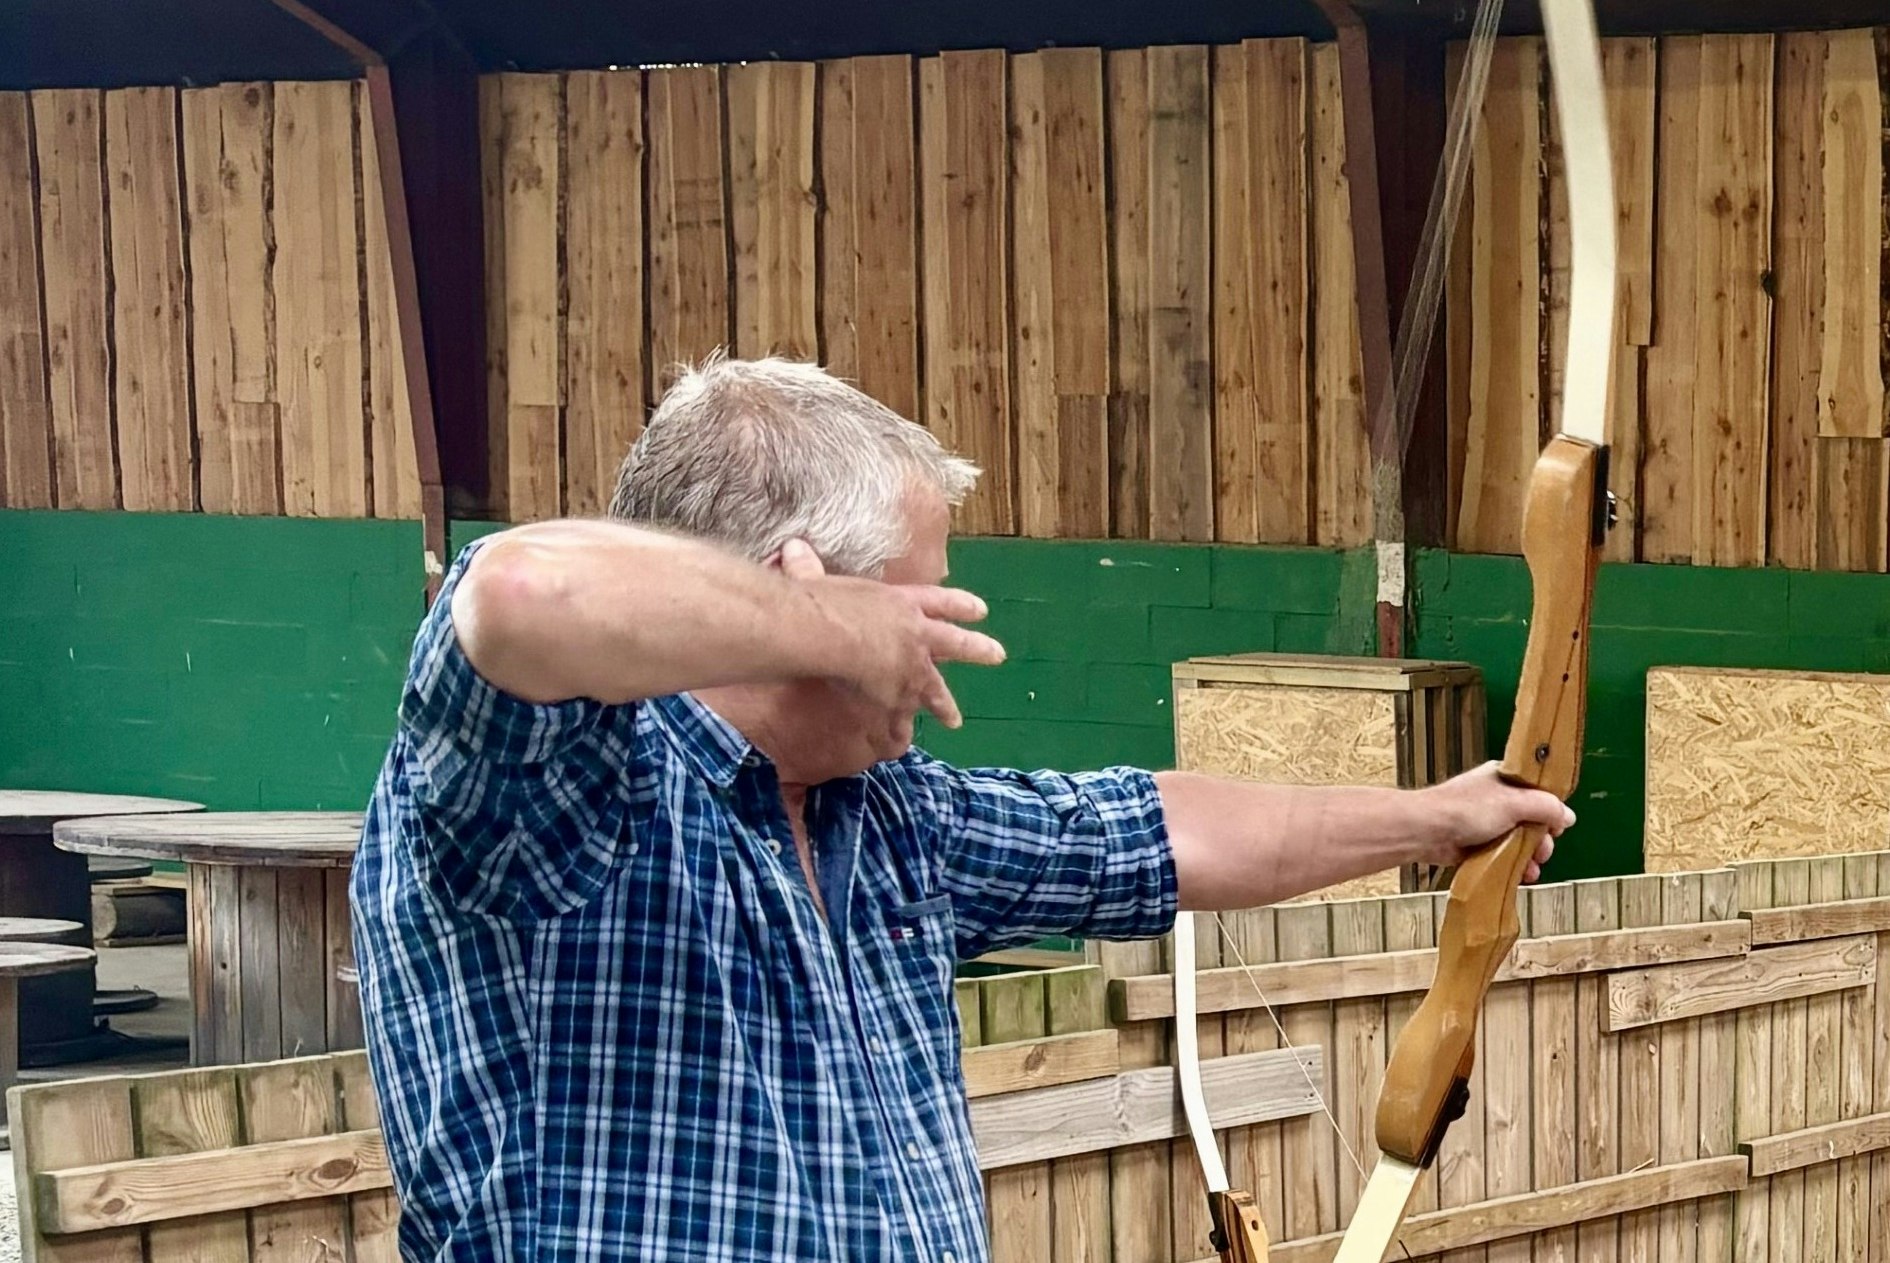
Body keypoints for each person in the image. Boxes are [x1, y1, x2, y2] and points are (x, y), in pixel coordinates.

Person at [351, 355, 1572, 1262]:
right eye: (919, 606)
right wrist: (831, 627)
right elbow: (514, 597)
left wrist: (1437, 819)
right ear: (802, 583)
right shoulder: (565, 797)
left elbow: (1157, 830)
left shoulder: (886, 821)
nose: (940, 650)